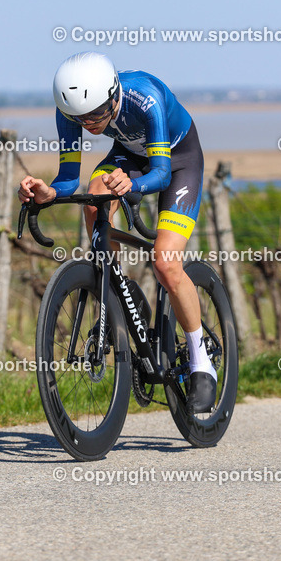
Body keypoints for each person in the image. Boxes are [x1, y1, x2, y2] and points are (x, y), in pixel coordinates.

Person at [18, 52, 215, 414]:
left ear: (113, 96)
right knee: (93, 198)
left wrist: (133, 182)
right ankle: (118, 287)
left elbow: (161, 174)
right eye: (79, 118)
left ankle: (202, 361)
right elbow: (68, 180)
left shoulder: (145, 97)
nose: (88, 124)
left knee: (166, 263)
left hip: (176, 159)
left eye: (94, 115)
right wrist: (48, 193)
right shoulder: (72, 111)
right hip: (129, 155)